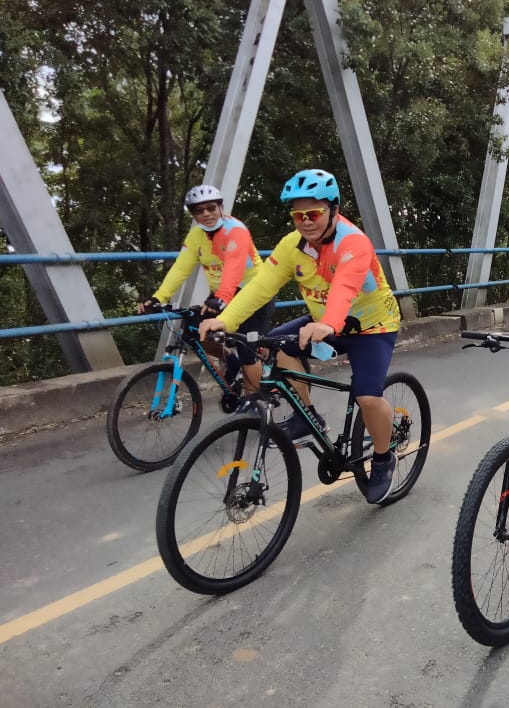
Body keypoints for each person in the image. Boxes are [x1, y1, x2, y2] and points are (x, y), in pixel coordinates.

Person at [199, 169, 403, 504]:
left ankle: (383, 457)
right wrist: (225, 320)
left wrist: (330, 323)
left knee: (367, 397)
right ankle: (307, 415)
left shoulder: (353, 243)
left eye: (313, 213)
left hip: (371, 327)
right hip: (322, 321)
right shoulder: (292, 245)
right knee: (273, 347)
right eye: (298, 215)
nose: (305, 222)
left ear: (333, 210)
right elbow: (261, 286)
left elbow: (345, 286)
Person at [138, 184, 273, 396]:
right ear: (193, 215)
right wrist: (158, 297)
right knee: (198, 334)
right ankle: (232, 361)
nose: (206, 214)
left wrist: (221, 298)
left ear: (221, 207)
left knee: (247, 350)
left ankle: (254, 403)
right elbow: (181, 268)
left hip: (253, 293)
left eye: (211, 208)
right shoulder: (196, 236)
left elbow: (234, 267)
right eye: (199, 210)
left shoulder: (236, 230)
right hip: (221, 294)